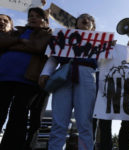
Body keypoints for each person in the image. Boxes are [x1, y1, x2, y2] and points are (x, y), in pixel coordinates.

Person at [40, 13, 98, 150]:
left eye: (90, 19)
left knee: (84, 122)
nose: (86, 19)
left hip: (87, 75)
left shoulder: (100, 41)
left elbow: (105, 64)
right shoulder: (64, 36)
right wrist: (45, 72)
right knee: (59, 122)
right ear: (76, 22)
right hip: (64, 74)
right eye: (82, 17)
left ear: (93, 27)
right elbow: (54, 57)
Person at [0, 7, 51, 150]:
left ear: (45, 20)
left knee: (18, 115)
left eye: (37, 16)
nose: (32, 18)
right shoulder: (18, 31)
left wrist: (16, 44)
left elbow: (40, 47)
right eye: (30, 16)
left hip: (28, 79)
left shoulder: (49, 34)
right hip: (4, 77)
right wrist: (22, 41)